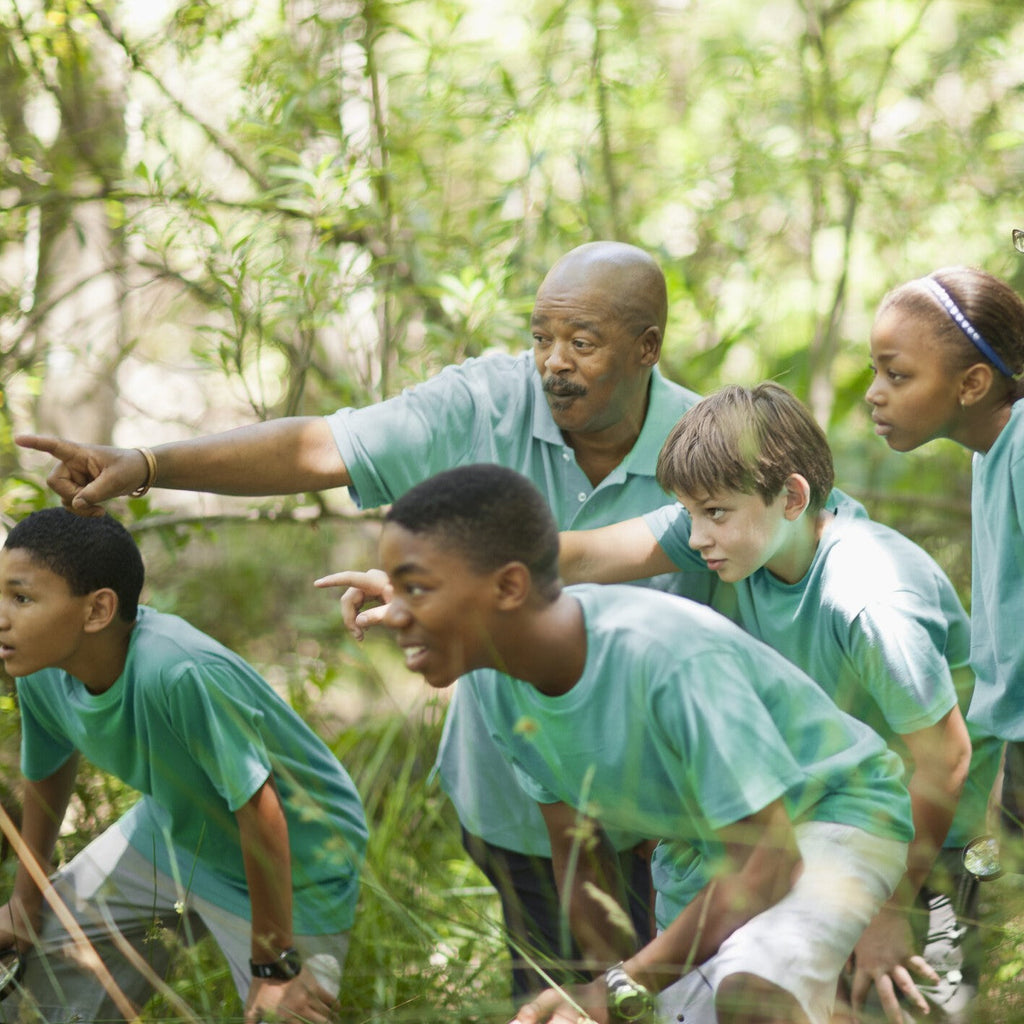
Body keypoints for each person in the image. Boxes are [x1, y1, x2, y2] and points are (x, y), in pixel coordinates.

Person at [15, 241, 707, 996]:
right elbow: (318, 446)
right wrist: (149, 465)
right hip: (516, 796)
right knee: (551, 995)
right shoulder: (484, 401)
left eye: (581, 342)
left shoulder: (706, 452)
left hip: (665, 812)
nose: (552, 362)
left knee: (672, 997)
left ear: (647, 348)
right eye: (540, 336)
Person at [320, 463, 914, 1024]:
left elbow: (770, 860)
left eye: (415, 589)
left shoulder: (662, 658)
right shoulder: (500, 686)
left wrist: (621, 987)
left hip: (834, 817)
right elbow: (579, 852)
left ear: (509, 586)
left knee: (752, 988)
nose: (394, 614)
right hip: (707, 856)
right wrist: (606, 988)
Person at [524, 382, 996, 1024]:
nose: (697, 536)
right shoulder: (743, 529)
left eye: (714, 512)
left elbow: (945, 761)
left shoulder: (867, 596)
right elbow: (581, 555)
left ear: (793, 496)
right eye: (687, 512)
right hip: (815, 818)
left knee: (900, 1005)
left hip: (927, 844)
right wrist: (434, 586)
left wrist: (887, 910)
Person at [0, 508, 367, 1023]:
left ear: (97, 610)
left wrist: (272, 965)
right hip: (175, 832)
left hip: (300, 860)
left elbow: (261, 809)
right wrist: (26, 899)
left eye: (21, 598)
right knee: (31, 979)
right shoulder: (39, 667)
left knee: (286, 1013)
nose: (1, 616)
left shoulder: (175, 669)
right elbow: (47, 771)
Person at [865, 267, 1024, 852]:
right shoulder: (992, 452)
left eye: (897, 374)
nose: (874, 392)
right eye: (876, 370)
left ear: (973, 383)